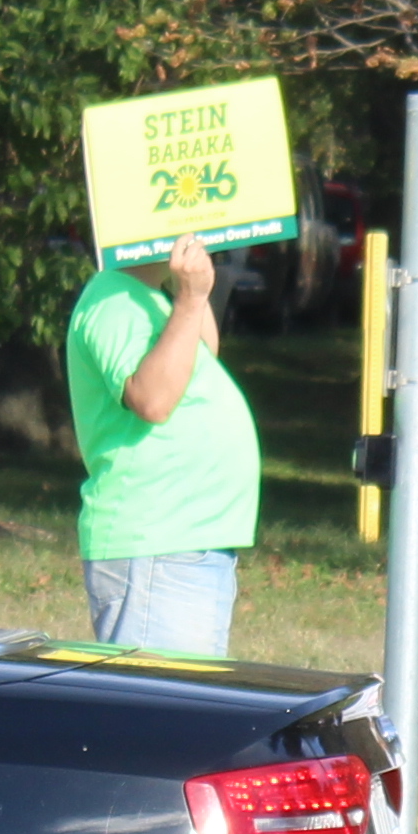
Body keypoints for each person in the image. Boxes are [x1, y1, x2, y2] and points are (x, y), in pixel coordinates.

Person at [61, 234, 256, 655]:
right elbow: (151, 399)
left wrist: (191, 293)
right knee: (170, 715)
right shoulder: (112, 301)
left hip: (181, 541)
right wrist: (188, 300)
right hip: (157, 544)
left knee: (189, 711)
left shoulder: (149, 297)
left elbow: (202, 354)